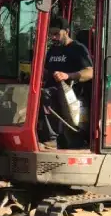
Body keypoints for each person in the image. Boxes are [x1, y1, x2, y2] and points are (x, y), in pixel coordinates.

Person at [37, 16, 94, 149]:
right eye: (51, 34)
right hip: (52, 89)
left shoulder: (78, 49)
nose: (54, 38)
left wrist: (67, 75)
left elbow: (90, 72)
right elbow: (46, 71)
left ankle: (51, 139)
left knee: (45, 95)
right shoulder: (52, 50)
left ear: (67, 31)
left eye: (57, 34)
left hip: (70, 92)